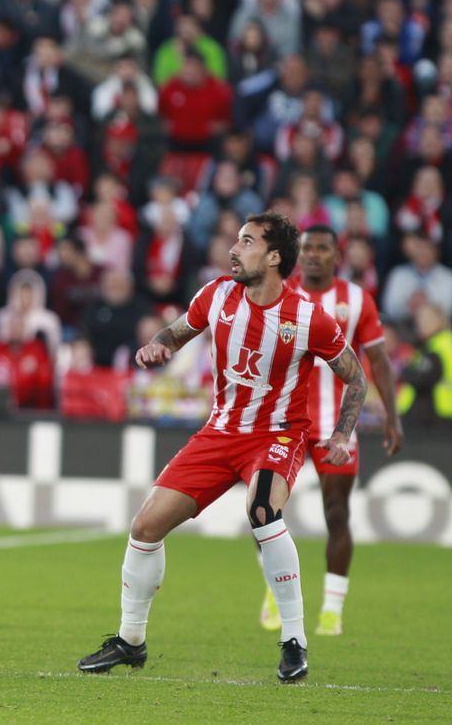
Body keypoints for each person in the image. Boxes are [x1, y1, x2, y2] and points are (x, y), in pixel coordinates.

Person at [78, 212, 370, 685]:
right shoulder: (215, 295)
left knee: (261, 511)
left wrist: (341, 434)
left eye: (248, 241)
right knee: (146, 525)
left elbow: (354, 377)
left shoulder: (307, 317)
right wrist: (158, 346)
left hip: (276, 434)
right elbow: (174, 332)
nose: (234, 249)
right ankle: (131, 641)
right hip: (220, 432)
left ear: (274, 257)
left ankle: (294, 641)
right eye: (236, 240)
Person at [256, 226, 403, 637]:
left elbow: (379, 362)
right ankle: (275, 586)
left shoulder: (356, 300)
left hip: (337, 425)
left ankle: (332, 610)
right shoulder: (279, 293)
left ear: (337, 255)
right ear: (297, 255)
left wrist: (392, 417)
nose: (314, 255)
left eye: (323, 248)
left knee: (337, 514)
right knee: (263, 509)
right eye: (307, 249)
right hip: (282, 421)